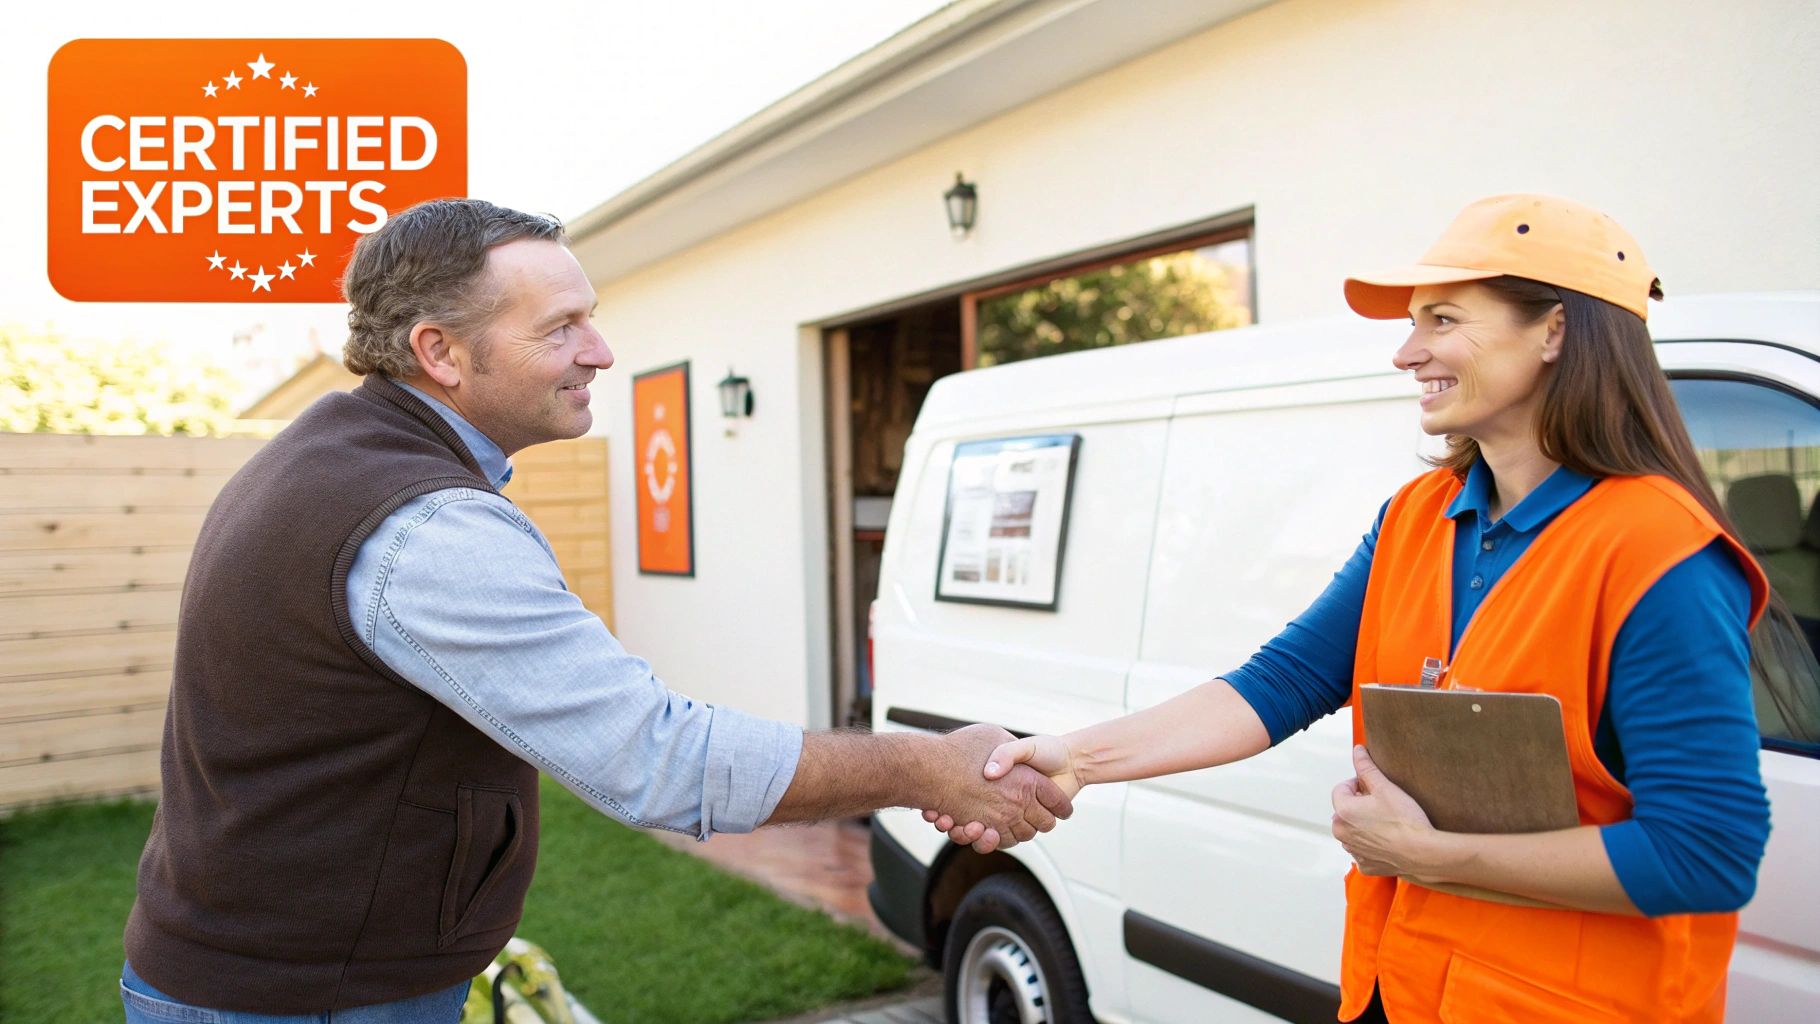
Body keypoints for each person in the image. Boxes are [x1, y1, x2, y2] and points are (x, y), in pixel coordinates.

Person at [119, 198, 1073, 1024]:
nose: (600, 352)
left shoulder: (337, 457)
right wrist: (925, 766)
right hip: (307, 997)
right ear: (439, 352)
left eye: (593, 318)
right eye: (561, 326)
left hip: (282, 973)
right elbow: (659, 761)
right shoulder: (425, 525)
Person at [927, 194, 1787, 1022]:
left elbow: (1706, 853)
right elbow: (1284, 681)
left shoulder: (1660, 554)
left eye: (1442, 319)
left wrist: (1435, 858)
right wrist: (1078, 758)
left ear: (1556, 329)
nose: (1407, 352)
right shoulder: (1417, 518)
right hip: (1400, 991)